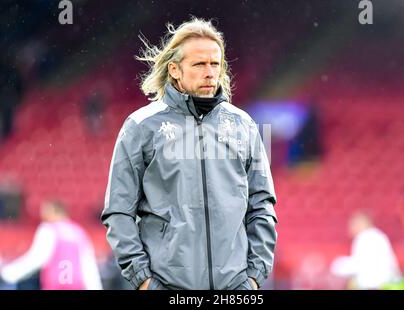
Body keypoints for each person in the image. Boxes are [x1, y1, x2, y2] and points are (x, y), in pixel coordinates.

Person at [101, 17, 277, 290]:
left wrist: (253, 279)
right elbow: (118, 211)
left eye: (215, 64)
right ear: (174, 69)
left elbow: (262, 207)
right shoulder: (140, 127)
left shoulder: (244, 125)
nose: (210, 72)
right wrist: (144, 281)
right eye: (199, 64)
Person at [1, 200, 102, 290]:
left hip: (55, 285)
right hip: (75, 286)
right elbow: (88, 265)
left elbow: (37, 258)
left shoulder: (49, 229)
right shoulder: (78, 232)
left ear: (54, 211)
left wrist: (11, 273)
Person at [330, 211, 402, 289]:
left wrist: (337, 265)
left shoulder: (364, 237)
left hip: (374, 286)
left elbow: (359, 265)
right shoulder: (379, 236)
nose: (350, 228)